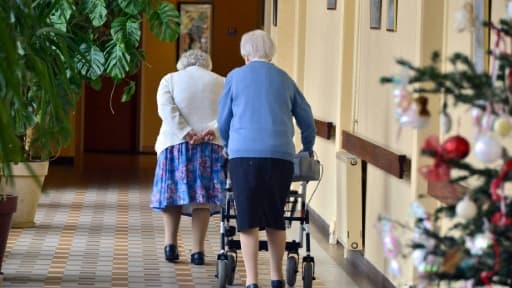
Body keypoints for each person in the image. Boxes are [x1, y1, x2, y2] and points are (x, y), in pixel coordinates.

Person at [217, 30, 316, 288]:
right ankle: (277, 277)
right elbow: (306, 118)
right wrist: (307, 147)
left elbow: (223, 120)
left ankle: (251, 281)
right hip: (280, 156)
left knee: (247, 219)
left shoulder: (235, 77)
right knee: (275, 216)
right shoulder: (285, 79)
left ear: (245, 53)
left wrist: (228, 145)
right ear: (270, 53)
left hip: (243, 155)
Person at [150, 49, 225, 266]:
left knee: (172, 194)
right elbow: (228, 113)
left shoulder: (170, 79)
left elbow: (166, 109)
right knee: (202, 199)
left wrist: (185, 132)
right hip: (210, 147)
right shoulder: (222, 81)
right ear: (207, 65)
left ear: (182, 64)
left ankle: (170, 244)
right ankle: (198, 251)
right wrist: (211, 130)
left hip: (174, 145)